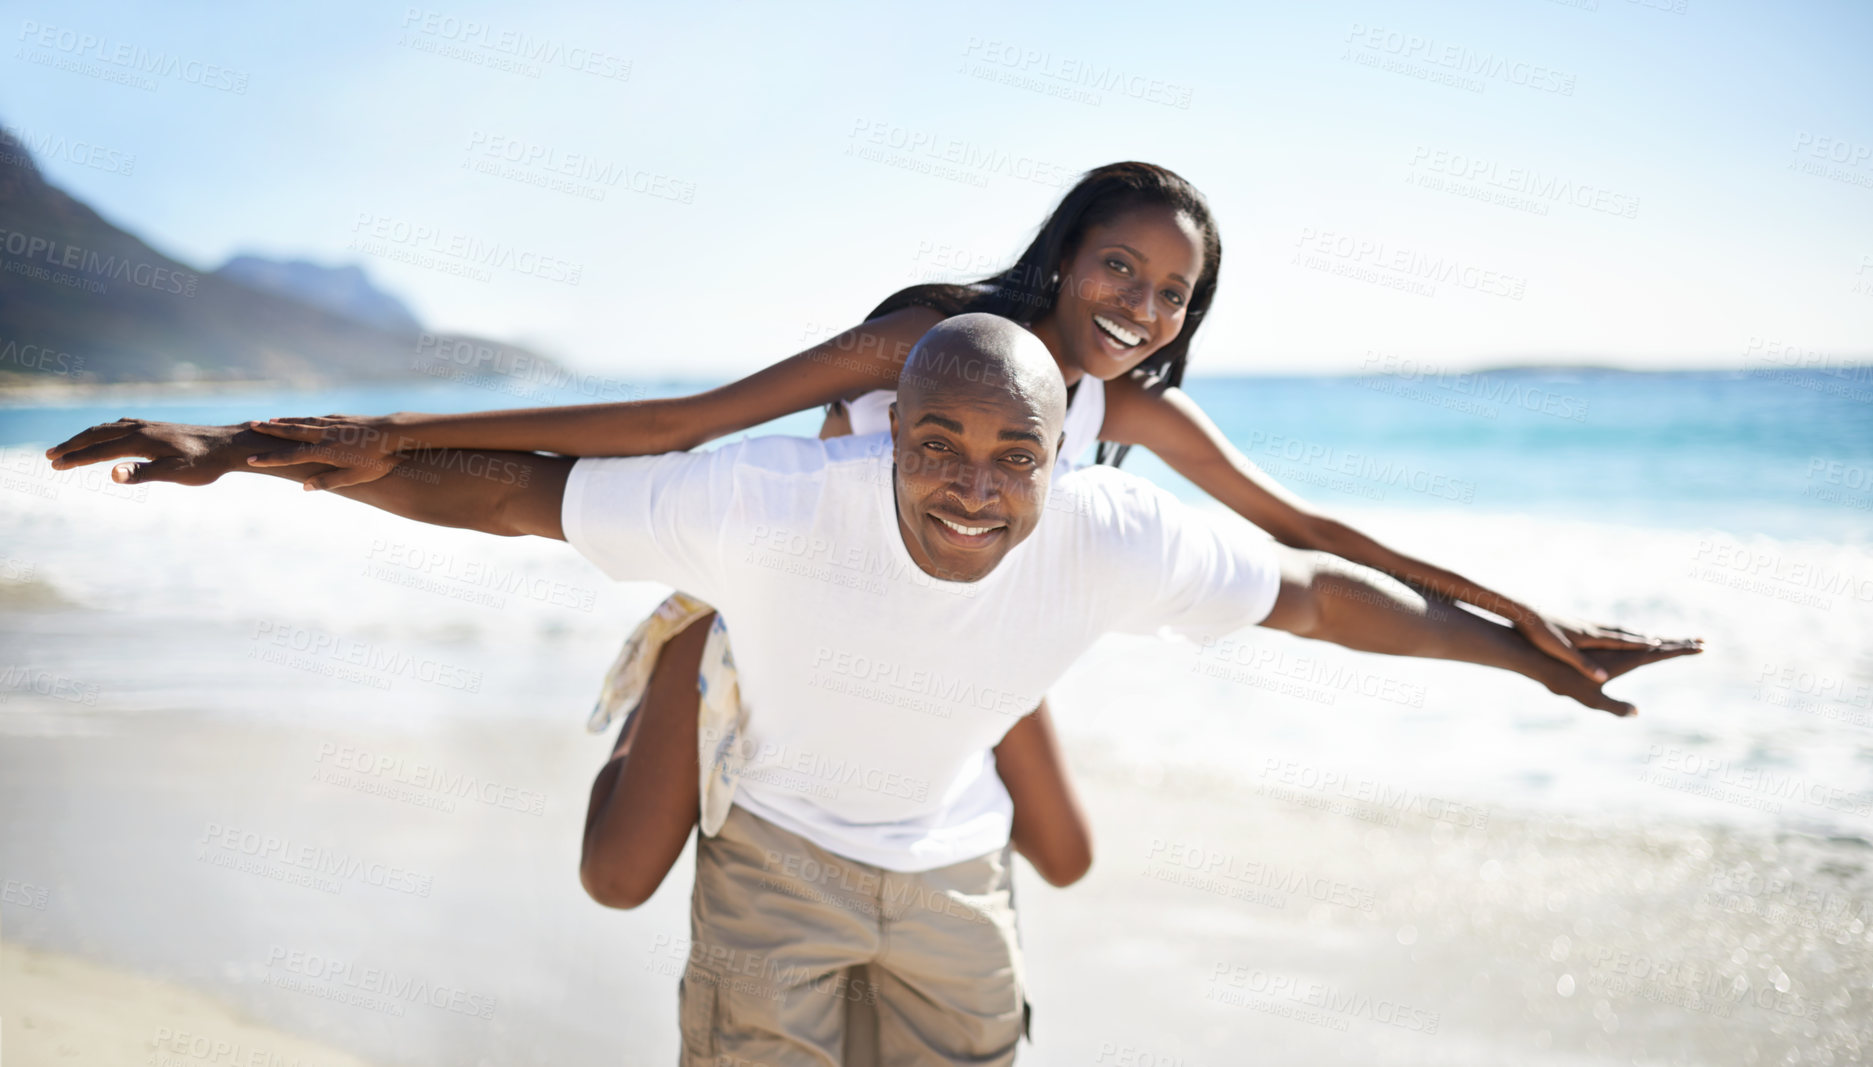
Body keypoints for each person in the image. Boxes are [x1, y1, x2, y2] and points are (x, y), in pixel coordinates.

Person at [44, 315, 1698, 1065]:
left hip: (950, 865)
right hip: (771, 851)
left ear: (1064, 449)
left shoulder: (1117, 533)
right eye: (934, 447)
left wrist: (1524, 652)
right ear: (886, 438)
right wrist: (250, 457)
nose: (971, 485)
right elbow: (514, 489)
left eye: (1009, 456)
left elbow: (1323, 600)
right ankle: (685, 671)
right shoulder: (773, 500)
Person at [232, 162, 1694, 911]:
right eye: (1119, 263)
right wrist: (386, 440)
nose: (1137, 301)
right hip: (779, 607)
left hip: (968, 638)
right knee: (618, 880)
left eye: (1172, 291)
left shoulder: (1126, 414)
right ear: (1065, 252)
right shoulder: (927, 338)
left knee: (1059, 855)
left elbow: (1307, 537)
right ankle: (682, 672)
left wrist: (1528, 630)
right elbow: (687, 419)